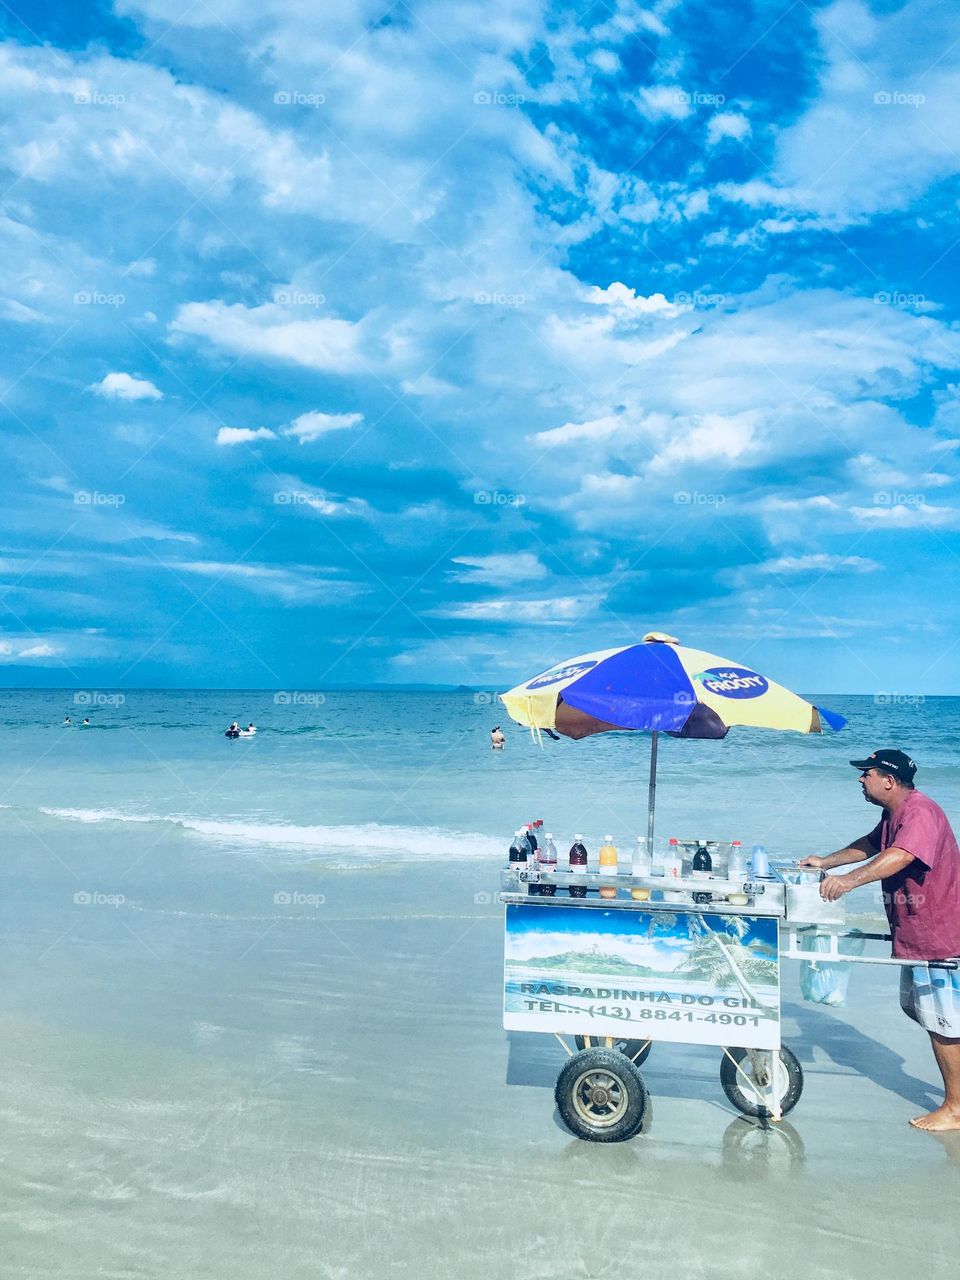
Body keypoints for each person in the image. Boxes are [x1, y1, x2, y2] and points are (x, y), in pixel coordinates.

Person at [800, 748, 960, 1131]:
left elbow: (901, 855)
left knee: (942, 1020)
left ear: (888, 780)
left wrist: (849, 882)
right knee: (921, 1010)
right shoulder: (893, 814)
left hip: (938, 933)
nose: (860, 779)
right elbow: (872, 846)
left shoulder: (920, 811)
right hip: (916, 931)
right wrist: (826, 862)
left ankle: (955, 1108)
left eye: (866, 773)